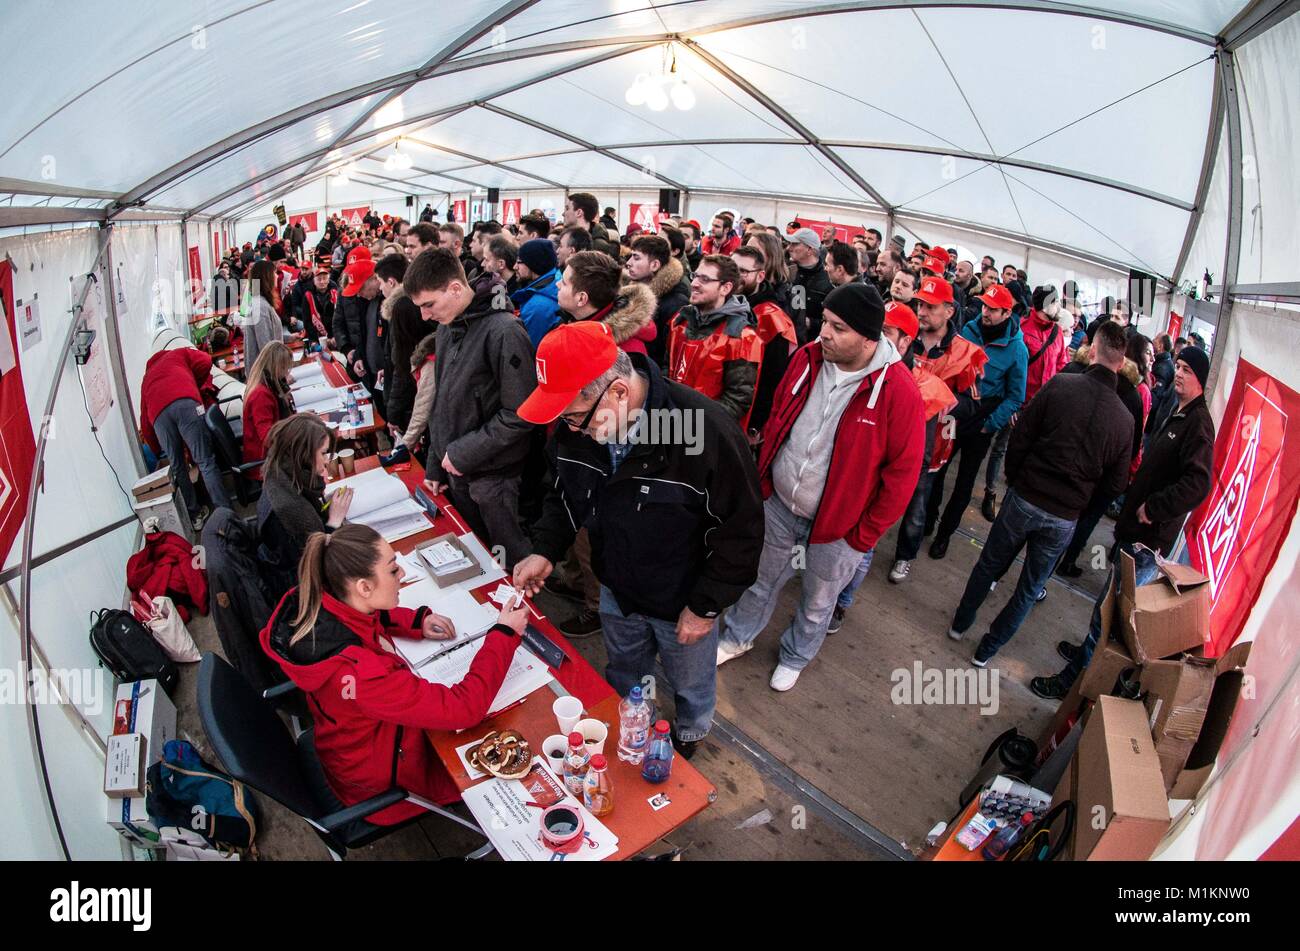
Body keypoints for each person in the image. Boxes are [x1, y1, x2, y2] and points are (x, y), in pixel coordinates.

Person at [512, 323, 763, 757]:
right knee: (626, 672)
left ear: (618, 393)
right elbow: (564, 492)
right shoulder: (579, 429)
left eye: (573, 417)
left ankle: (688, 734)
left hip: (681, 600)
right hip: (617, 591)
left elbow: (740, 532)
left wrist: (705, 607)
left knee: (691, 682)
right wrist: (544, 549)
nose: (569, 430)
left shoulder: (705, 430)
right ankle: (634, 723)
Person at [718, 283, 925, 689]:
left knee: (817, 601)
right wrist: (764, 482)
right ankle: (738, 636)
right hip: (779, 503)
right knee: (760, 579)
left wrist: (861, 537)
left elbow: (902, 476)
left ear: (869, 339)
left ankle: (796, 655)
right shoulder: (808, 358)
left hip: (838, 528)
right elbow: (780, 414)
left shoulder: (898, 392)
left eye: (838, 328)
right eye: (826, 322)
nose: (824, 333)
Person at [261, 522, 529, 826]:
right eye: (392, 571)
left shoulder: (323, 602)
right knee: (511, 742)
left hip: (351, 751)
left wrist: (415, 621)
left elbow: (366, 615)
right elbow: (464, 708)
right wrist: (504, 633)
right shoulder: (364, 678)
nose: (401, 575)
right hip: (382, 787)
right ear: (364, 587)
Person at [1032, 345, 1215, 699]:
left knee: (1111, 615)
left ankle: (1073, 681)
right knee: (1105, 605)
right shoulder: (1180, 412)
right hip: (1135, 532)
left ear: (1202, 381)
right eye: (1177, 366)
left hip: (1147, 541)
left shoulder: (1198, 424)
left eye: (1187, 370)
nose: (1178, 373)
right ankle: (1085, 651)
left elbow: (1198, 483)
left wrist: (1155, 508)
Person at [949, 322, 1133, 665]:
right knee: (1028, 589)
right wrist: (1080, 503)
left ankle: (961, 624)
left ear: (1092, 350)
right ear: (1121, 364)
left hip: (1026, 497)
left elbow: (1021, 435)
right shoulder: (1124, 419)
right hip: (1063, 516)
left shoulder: (1062, 385)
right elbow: (1115, 484)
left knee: (990, 563)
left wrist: (1017, 479)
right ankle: (986, 650)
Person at [404, 248, 535, 567]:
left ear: (455, 288)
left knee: (507, 562)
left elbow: (521, 413)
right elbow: (442, 402)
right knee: (473, 560)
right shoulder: (448, 326)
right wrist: (435, 462)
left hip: (494, 479)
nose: (424, 316)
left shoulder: (504, 331)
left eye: (428, 305)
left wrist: (462, 452)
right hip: (457, 471)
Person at [928, 282, 1027, 559]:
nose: (986, 312)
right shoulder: (967, 329)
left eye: (994, 310)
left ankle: (944, 534)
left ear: (1007, 313)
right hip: (955, 412)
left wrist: (990, 424)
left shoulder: (1016, 349)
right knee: (937, 470)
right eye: (985, 306)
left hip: (981, 421)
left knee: (964, 482)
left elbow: (1015, 397)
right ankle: (928, 518)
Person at [981, 283, 1070, 521]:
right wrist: (1013, 404)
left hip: (1040, 408)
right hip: (1016, 403)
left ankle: (1011, 498)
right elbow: (1009, 368)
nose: (1058, 307)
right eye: (1055, 302)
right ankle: (990, 492)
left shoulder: (1057, 333)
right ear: (1043, 304)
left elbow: (1061, 367)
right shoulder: (1020, 327)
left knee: (1025, 453)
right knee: (1000, 448)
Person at [255, 414, 350, 597]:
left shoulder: (280, 475)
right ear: (303, 454)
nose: (327, 460)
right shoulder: (286, 509)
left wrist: (324, 507)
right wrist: (334, 521)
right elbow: (316, 563)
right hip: (305, 593)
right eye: (323, 453)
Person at [139, 346, 232, 528]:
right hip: (186, 402)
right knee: (205, 461)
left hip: (159, 417)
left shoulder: (147, 378)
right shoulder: (178, 354)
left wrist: (157, 448)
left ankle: (195, 515)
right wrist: (193, 382)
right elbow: (205, 360)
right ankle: (225, 512)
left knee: (178, 467)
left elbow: (144, 419)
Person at [667, 255, 762, 425]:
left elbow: (737, 400)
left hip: (706, 432)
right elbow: (667, 369)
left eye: (705, 279)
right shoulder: (681, 320)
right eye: (695, 276)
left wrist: (694, 424)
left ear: (725, 288)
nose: (695, 283)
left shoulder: (741, 337)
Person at [731, 245, 796, 442]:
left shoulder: (771, 319)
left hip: (746, 419)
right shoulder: (719, 303)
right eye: (732, 269)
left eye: (743, 271)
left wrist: (756, 425)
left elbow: (773, 379)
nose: (735, 276)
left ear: (760, 276)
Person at [374, 253, 424, 459]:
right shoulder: (409, 303)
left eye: (380, 282)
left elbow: (402, 365)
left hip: (410, 401)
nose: (379, 288)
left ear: (391, 281)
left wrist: (392, 413)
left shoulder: (402, 308)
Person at [560, 250, 656, 355]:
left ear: (582, 299)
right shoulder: (571, 318)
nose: (557, 284)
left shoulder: (626, 354)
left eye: (564, 283)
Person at [625, 234, 690, 367]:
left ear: (654, 265)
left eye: (636, 258)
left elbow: (669, 353)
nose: (629, 263)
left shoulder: (675, 302)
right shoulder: (630, 290)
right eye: (631, 256)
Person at [241, 341, 293, 477]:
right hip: (265, 462)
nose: (286, 373)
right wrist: (297, 427)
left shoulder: (265, 387)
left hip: (269, 456)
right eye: (284, 368)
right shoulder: (261, 395)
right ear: (276, 366)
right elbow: (268, 437)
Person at [511, 238, 562, 348]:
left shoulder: (537, 307)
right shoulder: (553, 285)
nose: (515, 267)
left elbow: (525, 352)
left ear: (533, 264)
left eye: (519, 262)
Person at [787, 228, 832, 344]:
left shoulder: (828, 280)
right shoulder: (787, 272)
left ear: (809, 249)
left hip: (811, 345)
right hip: (786, 340)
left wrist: (810, 322)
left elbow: (834, 321)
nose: (789, 248)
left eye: (795, 244)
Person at [238, 259, 284, 372]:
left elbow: (268, 333)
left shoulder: (260, 303)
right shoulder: (260, 307)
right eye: (274, 273)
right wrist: (280, 376)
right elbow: (266, 347)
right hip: (265, 376)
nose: (277, 277)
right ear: (266, 277)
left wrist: (289, 337)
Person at [295, 261, 340, 345]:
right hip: (317, 336)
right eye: (319, 279)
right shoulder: (308, 296)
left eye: (324, 278)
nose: (322, 282)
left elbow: (339, 317)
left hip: (334, 336)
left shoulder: (335, 293)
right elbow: (307, 321)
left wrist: (336, 336)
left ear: (328, 280)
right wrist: (314, 340)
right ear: (314, 281)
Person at [562, 192, 619, 257]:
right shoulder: (566, 239)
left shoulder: (598, 248)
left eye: (567, 208)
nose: (563, 214)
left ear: (579, 212)